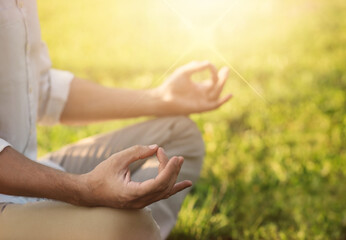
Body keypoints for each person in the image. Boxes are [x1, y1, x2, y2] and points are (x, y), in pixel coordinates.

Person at [0, 0, 232, 239]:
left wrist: (160, 98)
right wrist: (83, 189)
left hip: (27, 169)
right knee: (126, 227)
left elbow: (39, 89)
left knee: (180, 134)